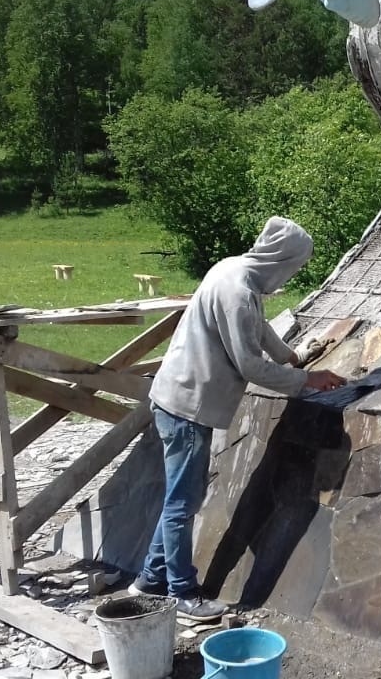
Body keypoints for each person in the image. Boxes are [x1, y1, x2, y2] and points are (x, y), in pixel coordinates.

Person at [130, 216, 346, 622]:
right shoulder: (239, 293)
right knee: (183, 503)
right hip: (186, 406)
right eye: (296, 265)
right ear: (281, 259)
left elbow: (257, 327)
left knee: (180, 498)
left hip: (178, 397)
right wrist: (306, 379)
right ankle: (182, 594)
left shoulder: (233, 270)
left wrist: (292, 356)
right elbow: (249, 364)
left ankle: (148, 580)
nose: (293, 273)